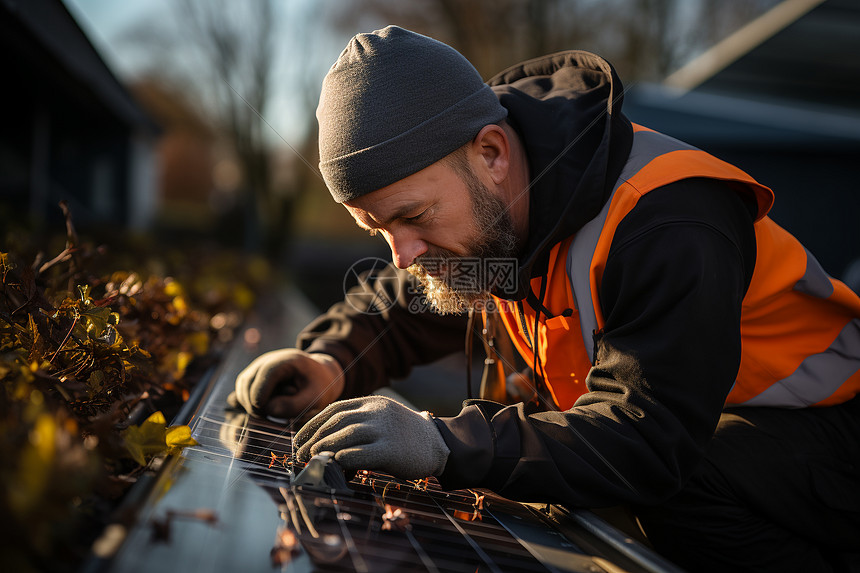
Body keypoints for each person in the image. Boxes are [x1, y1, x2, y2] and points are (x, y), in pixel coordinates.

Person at [229, 26, 860, 571]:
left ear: (492, 153)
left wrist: (445, 444)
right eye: (379, 231)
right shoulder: (489, 215)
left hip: (823, 445)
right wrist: (328, 361)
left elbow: (649, 438)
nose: (403, 252)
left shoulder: (667, 218)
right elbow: (402, 301)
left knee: (677, 486)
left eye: (414, 216)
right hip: (716, 448)